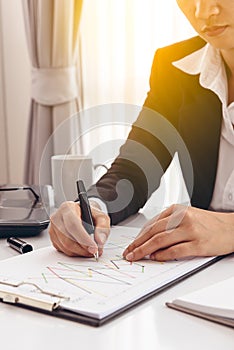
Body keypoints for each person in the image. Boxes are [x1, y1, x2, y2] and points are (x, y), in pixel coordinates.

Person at [49, 0, 234, 262]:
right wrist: (92, 207)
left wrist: (229, 229)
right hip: (201, 270)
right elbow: (134, 168)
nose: (203, 12)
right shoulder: (174, 67)